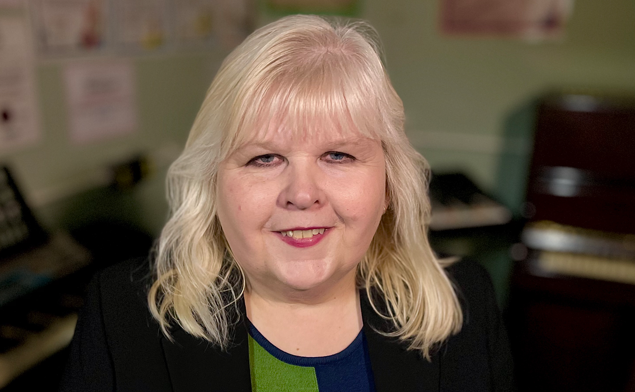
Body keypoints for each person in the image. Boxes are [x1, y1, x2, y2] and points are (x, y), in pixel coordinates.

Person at [59, 14, 513, 392]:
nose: (301, 193)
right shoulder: (120, 317)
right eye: (264, 157)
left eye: (339, 155)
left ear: (390, 184)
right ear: (213, 183)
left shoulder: (466, 303)